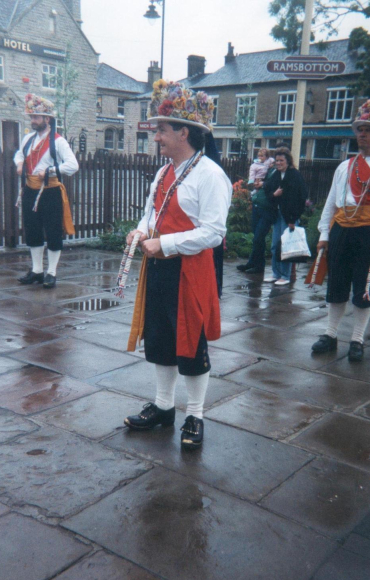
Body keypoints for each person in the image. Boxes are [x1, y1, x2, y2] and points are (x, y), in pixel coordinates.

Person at [123, 80, 232, 448]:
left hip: (192, 272)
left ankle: (195, 415)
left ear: (184, 132)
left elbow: (214, 233)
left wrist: (164, 243)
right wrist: (140, 232)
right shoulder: (164, 172)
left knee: (190, 344)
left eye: (162, 129)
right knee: (160, 339)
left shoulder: (211, 175)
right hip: (160, 267)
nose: (156, 137)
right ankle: (164, 407)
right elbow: (150, 213)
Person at [311, 98, 370, 362]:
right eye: (359, 129)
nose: (361, 134)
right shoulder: (344, 167)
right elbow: (331, 203)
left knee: (364, 287)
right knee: (336, 284)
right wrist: (324, 235)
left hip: (369, 233)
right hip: (341, 230)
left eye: (367, 129)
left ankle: (356, 339)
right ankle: (330, 334)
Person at [14, 93, 78, 288]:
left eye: (36, 117)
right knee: (32, 231)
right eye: (32, 117)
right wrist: (19, 163)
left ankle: (51, 272)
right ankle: (36, 271)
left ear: (47, 119)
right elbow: (18, 154)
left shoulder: (58, 141)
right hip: (30, 190)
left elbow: (73, 165)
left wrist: (50, 170)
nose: (33, 120)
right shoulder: (28, 139)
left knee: (52, 232)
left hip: (50, 192)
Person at [263, 147, 308, 285]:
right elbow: (267, 189)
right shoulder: (276, 174)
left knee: (286, 246)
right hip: (277, 215)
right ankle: (276, 274)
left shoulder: (295, 175)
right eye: (276, 160)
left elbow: (300, 198)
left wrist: (293, 219)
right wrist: (273, 195)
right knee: (275, 246)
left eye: (281, 160)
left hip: (289, 217)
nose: (278, 163)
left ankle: (285, 276)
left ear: (288, 161)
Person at [236, 164, 277, 273]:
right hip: (257, 207)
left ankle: (258, 266)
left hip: (267, 209)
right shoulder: (269, 169)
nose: (277, 162)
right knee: (257, 238)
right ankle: (254, 263)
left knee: (259, 237)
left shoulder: (279, 173)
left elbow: (273, 185)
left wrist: (263, 185)